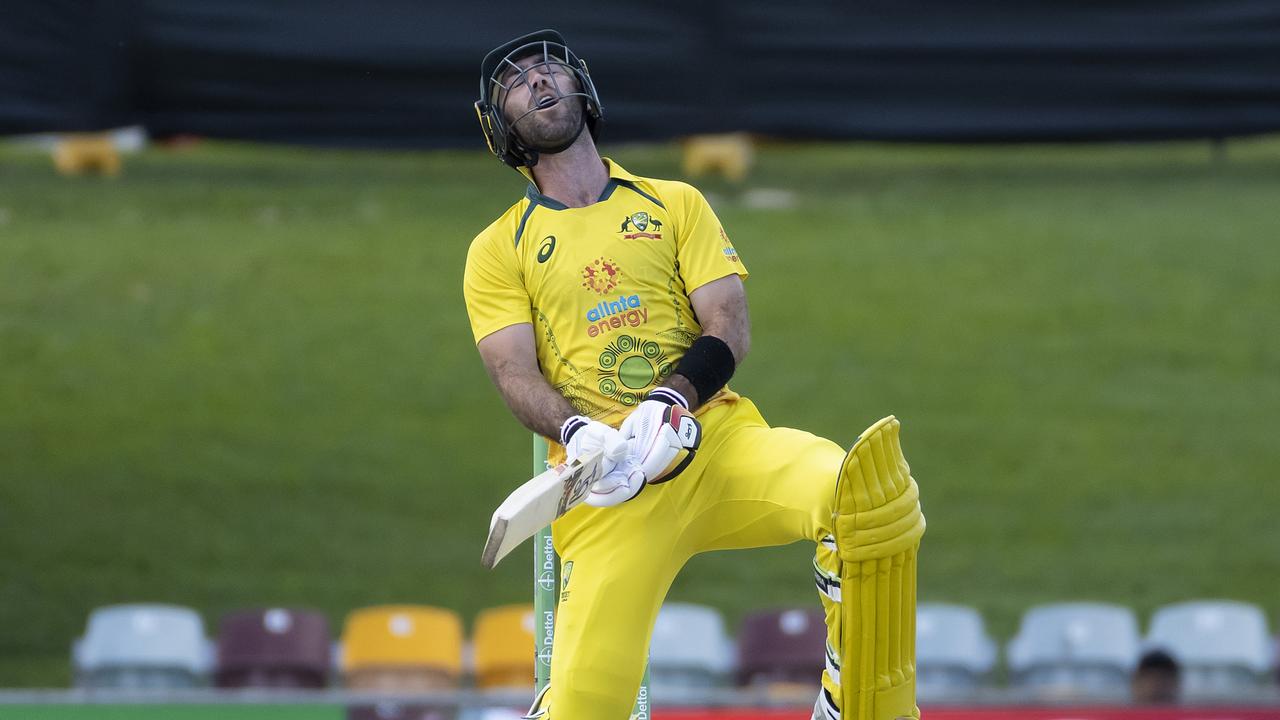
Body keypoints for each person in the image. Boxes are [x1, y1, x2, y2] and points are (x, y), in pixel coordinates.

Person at [463, 29, 925, 720]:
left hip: (715, 442)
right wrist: (581, 430)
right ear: (504, 128)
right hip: (607, 491)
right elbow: (513, 374)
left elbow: (728, 323)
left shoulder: (672, 202)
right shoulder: (500, 247)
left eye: (547, 68)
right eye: (516, 85)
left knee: (859, 493)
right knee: (587, 706)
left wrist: (670, 401)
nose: (536, 82)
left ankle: (853, 705)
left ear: (582, 88)